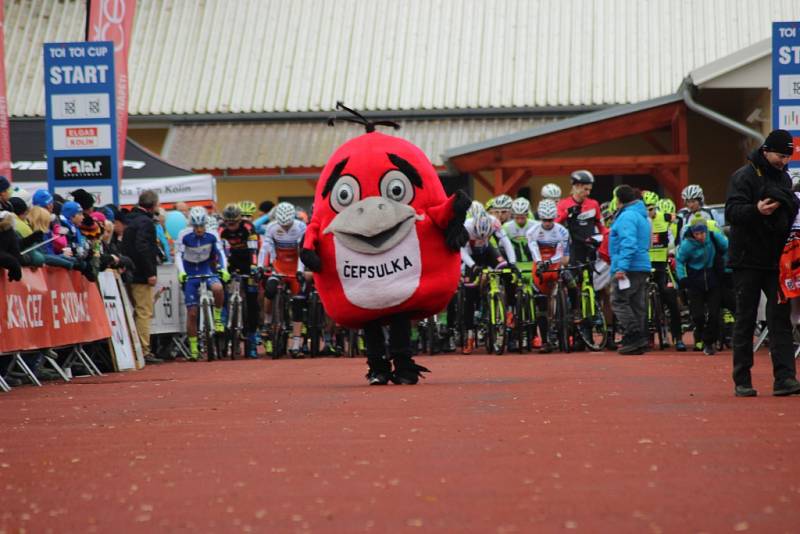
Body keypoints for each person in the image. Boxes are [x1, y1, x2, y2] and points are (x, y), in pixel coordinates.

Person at [725, 129, 800, 397]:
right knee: (745, 319)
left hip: (775, 260)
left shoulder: (783, 178)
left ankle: (785, 379)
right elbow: (731, 212)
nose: (784, 160)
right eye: (781, 155)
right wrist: (756, 211)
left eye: (787, 156)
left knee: (779, 319)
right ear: (766, 150)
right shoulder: (743, 176)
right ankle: (742, 380)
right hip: (746, 260)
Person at [176, 207, 229, 360]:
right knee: (192, 313)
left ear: (205, 224)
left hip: (207, 270)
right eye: (196, 227)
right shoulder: (183, 235)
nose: (199, 229)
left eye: (201, 226)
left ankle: (217, 318)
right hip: (190, 273)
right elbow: (178, 256)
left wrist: (224, 269)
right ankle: (193, 348)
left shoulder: (212, 234)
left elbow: (220, 253)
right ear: (191, 225)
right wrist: (181, 272)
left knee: (218, 288)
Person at [258, 202, 307, 357]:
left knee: (298, 303)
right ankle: (267, 322)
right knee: (270, 290)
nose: (285, 228)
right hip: (279, 267)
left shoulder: (300, 227)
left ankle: (296, 343)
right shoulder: (272, 227)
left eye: (288, 225)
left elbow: (302, 252)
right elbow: (265, 248)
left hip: (295, 268)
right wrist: (260, 266)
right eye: (282, 225)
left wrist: (300, 271)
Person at [608, 185, 652, 355]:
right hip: (642, 264)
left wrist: (621, 267)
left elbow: (628, 242)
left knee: (619, 300)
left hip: (629, 266)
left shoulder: (627, 216)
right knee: (637, 304)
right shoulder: (641, 215)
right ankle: (640, 338)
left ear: (618, 200)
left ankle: (633, 335)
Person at [675, 217, 727, 356]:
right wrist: (682, 278)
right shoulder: (687, 245)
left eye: (702, 233)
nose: (700, 237)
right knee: (697, 315)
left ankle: (709, 342)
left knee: (714, 313)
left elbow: (727, 248)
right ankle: (701, 334)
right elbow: (679, 261)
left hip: (713, 279)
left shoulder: (714, 237)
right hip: (695, 281)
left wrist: (727, 269)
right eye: (697, 234)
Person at [121, 190, 162, 364]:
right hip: (141, 274)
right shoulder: (146, 223)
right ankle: (143, 350)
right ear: (153, 205)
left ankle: (135, 348)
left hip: (127, 271)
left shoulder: (128, 219)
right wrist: (150, 272)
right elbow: (143, 247)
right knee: (144, 312)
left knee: (135, 312)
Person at [643, 191, 685, 351]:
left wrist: (673, 248)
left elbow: (679, 223)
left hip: (662, 265)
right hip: (645, 266)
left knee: (671, 299)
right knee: (641, 301)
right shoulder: (640, 221)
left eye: (652, 208)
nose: (649, 212)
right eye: (646, 209)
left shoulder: (665, 217)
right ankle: (646, 337)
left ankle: (678, 337)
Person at [527, 199, 570, 353]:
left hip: (556, 262)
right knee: (541, 303)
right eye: (544, 220)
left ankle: (571, 317)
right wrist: (540, 262)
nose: (547, 223)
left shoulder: (562, 231)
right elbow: (533, 249)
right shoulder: (532, 231)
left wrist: (550, 262)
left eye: (550, 220)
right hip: (539, 264)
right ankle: (545, 340)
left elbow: (562, 253)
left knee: (570, 280)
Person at [220, 203, 261, 358]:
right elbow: (219, 251)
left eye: (234, 223)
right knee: (221, 288)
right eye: (228, 223)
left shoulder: (248, 228)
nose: (231, 227)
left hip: (247, 261)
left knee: (252, 301)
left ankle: (251, 337)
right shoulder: (221, 230)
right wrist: (221, 268)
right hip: (230, 260)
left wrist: (254, 266)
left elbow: (254, 249)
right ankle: (223, 320)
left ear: (240, 220)